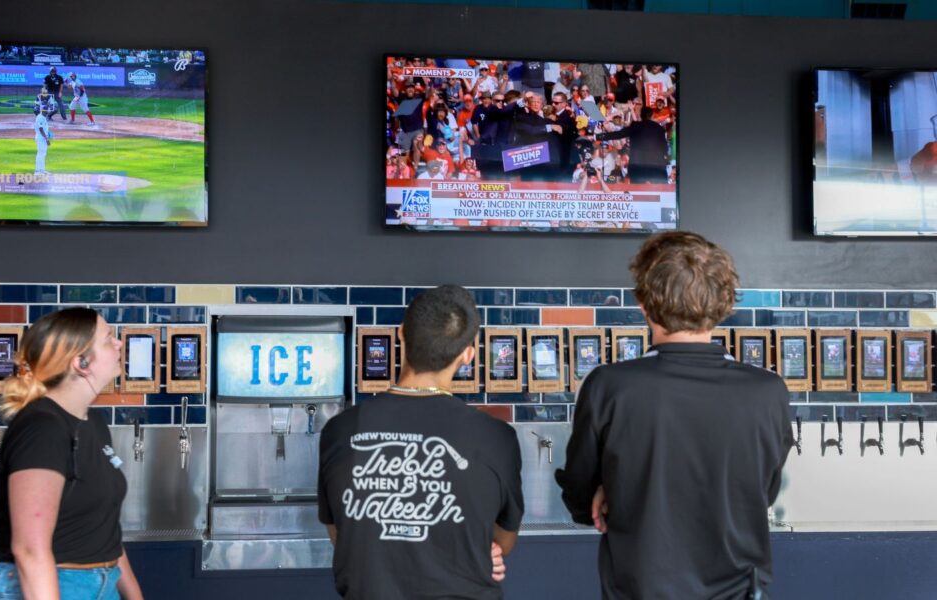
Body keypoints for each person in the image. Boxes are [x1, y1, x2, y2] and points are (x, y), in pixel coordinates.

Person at [555, 231, 793, 600]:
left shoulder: (611, 386)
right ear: (725, 303)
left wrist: (608, 492)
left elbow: (579, 500)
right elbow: (763, 492)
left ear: (643, 304)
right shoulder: (767, 391)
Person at [318, 285, 523, 600]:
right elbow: (503, 542)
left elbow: (342, 534)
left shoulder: (340, 429)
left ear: (401, 334)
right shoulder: (497, 437)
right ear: (468, 353)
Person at [0, 307, 143, 600]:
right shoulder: (42, 429)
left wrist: (133, 595)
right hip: (50, 583)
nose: (118, 343)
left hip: (101, 582)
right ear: (81, 362)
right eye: (108, 339)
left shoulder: (94, 424)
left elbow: (102, 530)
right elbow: (30, 549)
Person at [596, 106, 669, 183]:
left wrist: (598, 137)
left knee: (638, 192)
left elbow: (618, 134)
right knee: (661, 190)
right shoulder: (659, 129)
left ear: (641, 115)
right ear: (652, 115)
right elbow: (664, 148)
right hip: (656, 166)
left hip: (637, 167)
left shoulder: (635, 126)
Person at [33, 104, 52, 175]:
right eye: (47, 111)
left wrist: (48, 134)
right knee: (40, 154)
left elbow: (43, 128)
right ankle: (37, 171)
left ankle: (42, 170)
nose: (48, 112)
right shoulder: (40, 118)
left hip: (43, 138)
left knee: (43, 154)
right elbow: (41, 129)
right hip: (41, 138)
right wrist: (46, 139)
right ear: (44, 111)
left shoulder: (43, 117)